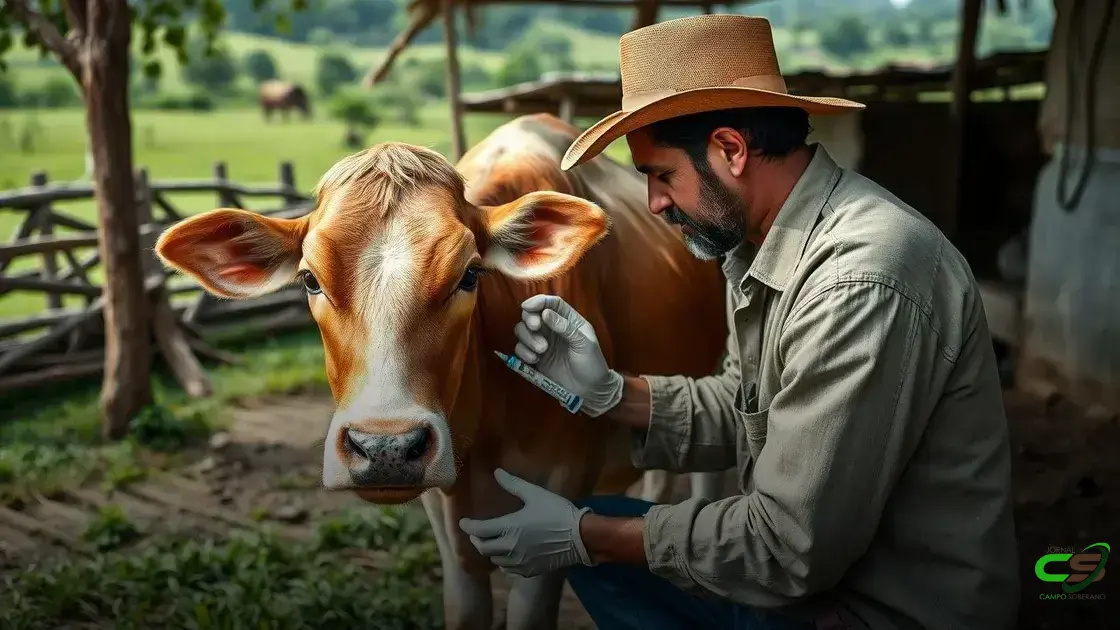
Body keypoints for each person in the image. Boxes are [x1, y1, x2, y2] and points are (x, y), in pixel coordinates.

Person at [458, 14, 1020, 630]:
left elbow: (791, 547)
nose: (654, 205)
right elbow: (748, 404)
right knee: (607, 535)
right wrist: (614, 393)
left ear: (730, 149)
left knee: (603, 541)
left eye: (661, 175)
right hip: (809, 585)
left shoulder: (859, 281)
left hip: (876, 608)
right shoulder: (756, 245)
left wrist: (586, 536)